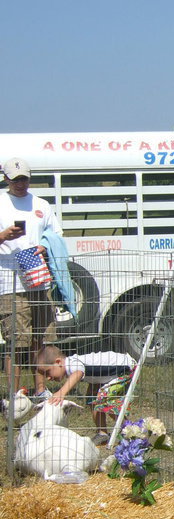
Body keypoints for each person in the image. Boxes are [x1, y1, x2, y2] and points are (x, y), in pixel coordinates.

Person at [0, 157, 63, 401]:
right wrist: (4, 235)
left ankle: (40, 390)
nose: (20, 183)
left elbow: (56, 234)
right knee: (17, 342)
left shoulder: (41, 204)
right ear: (6, 178)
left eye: (24, 178)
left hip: (38, 279)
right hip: (8, 282)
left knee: (42, 337)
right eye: (15, 179)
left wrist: (45, 248)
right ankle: (15, 397)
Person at [36, 345, 137, 446]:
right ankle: (102, 433)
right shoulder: (71, 363)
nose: (48, 378)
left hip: (124, 368)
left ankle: (128, 430)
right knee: (92, 398)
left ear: (58, 363)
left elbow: (78, 373)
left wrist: (62, 392)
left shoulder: (71, 364)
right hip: (108, 374)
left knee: (105, 401)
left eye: (48, 372)